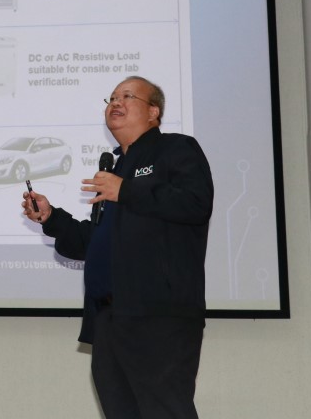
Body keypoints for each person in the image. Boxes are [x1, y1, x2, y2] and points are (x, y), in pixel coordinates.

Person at [22, 77, 214, 419]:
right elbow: (97, 242)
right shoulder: (116, 168)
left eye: (127, 96)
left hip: (159, 315)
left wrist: (125, 190)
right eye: (111, 98)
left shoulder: (175, 149)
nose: (115, 103)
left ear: (153, 111)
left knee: (166, 411)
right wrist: (51, 218)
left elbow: (196, 204)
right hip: (110, 319)